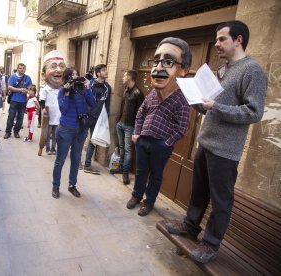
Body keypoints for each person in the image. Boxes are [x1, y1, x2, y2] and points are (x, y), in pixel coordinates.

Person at [164, 21, 267, 263]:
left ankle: (210, 244)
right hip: (206, 142)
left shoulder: (251, 70)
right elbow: (212, 108)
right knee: (198, 192)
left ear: (238, 40)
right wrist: (198, 102)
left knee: (221, 200)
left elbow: (254, 112)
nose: (217, 44)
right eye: (217, 39)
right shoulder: (224, 69)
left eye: (222, 39)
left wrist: (215, 107)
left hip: (225, 150)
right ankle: (190, 226)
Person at [126, 37, 191, 217]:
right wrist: (137, 133)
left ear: (183, 70)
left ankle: (149, 202)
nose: (158, 68)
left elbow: (182, 127)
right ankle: (136, 196)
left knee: (155, 176)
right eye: (156, 61)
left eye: (168, 61)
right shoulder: (153, 94)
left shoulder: (182, 100)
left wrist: (166, 143)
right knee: (140, 172)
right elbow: (140, 113)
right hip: (143, 141)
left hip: (161, 146)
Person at [52, 68, 96, 199]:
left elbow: (93, 104)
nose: (75, 77)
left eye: (77, 74)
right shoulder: (62, 91)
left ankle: (72, 185)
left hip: (80, 130)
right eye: (72, 75)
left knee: (76, 159)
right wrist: (66, 93)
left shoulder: (82, 90)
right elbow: (63, 110)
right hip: (66, 129)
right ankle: (55, 186)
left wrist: (88, 89)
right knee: (60, 160)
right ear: (67, 78)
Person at [110, 70, 144, 184]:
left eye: (124, 75)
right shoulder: (126, 90)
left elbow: (141, 113)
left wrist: (137, 129)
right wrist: (118, 121)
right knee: (122, 147)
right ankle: (120, 168)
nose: (123, 77)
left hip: (130, 126)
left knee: (128, 150)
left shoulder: (138, 93)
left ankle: (125, 173)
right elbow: (123, 106)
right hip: (121, 124)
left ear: (130, 77)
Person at [82, 64, 112, 174]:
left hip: (98, 119)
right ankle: (78, 160)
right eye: (104, 70)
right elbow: (83, 98)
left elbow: (107, 104)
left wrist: (106, 120)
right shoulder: (90, 83)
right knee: (81, 138)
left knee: (93, 141)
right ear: (98, 73)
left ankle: (87, 164)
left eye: (106, 69)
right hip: (87, 116)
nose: (106, 72)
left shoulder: (108, 88)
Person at [39, 50, 65, 155]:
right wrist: (44, 109)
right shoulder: (45, 89)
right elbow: (42, 100)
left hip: (59, 115)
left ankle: (53, 148)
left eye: (62, 66)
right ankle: (47, 147)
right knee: (47, 132)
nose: (58, 70)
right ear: (44, 74)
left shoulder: (63, 89)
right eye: (53, 67)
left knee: (56, 133)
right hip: (49, 115)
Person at [3, 63, 32, 139]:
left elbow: (30, 88)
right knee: (11, 117)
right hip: (14, 100)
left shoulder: (28, 77)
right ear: (17, 69)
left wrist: (26, 90)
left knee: (20, 117)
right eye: (20, 68)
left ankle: (16, 132)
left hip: (23, 101)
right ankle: (8, 132)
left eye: (23, 68)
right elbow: (9, 87)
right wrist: (19, 89)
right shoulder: (13, 77)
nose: (22, 69)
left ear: (25, 69)